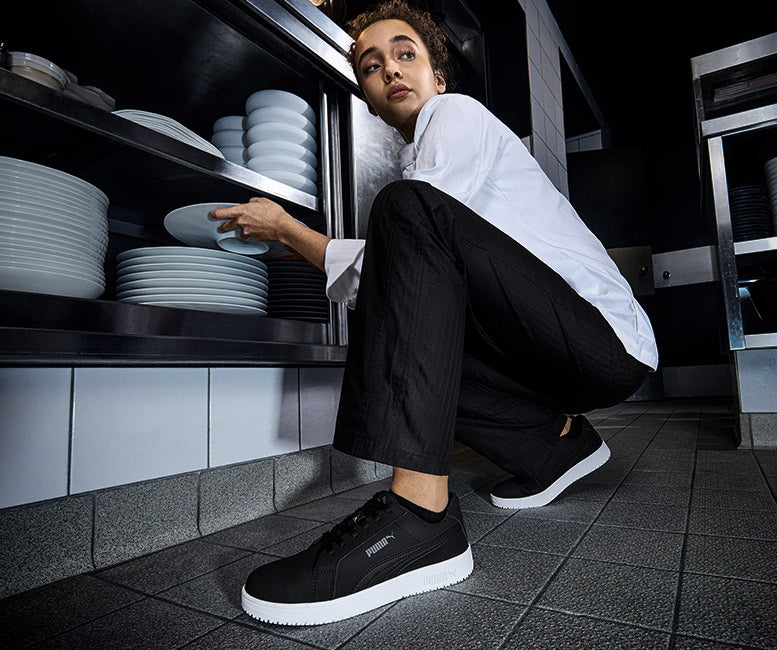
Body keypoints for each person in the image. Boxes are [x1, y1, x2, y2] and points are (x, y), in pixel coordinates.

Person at [210, 0, 658, 626]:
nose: (389, 69)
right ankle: (556, 444)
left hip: (604, 340)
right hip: (572, 352)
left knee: (403, 212)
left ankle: (419, 521)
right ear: (365, 96)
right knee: (412, 317)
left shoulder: (456, 114)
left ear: (437, 75)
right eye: (371, 66)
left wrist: (292, 230)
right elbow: (406, 286)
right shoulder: (420, 156)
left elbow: (413, 232)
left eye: (405, 53)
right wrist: (307, 248)